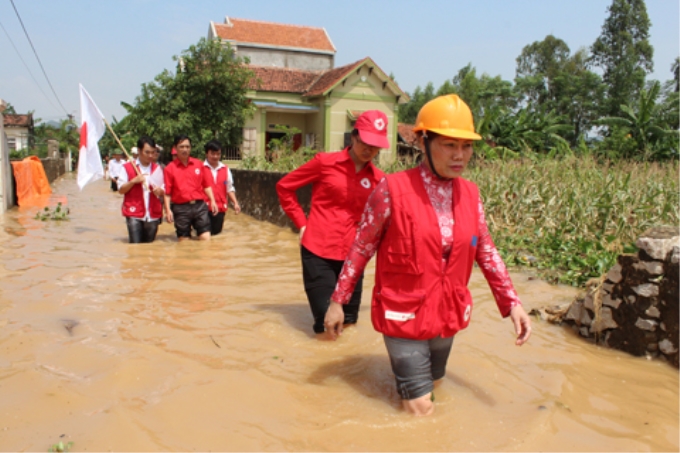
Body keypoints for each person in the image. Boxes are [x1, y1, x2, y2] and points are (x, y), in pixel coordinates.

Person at [324, 95, 532, 416]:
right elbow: (361, 248)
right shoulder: (390, 190)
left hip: (446, 314)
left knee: (435, 385)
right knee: (421, 407)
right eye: (449, 145)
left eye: (466, 146)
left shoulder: (472, 195)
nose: (460, 155)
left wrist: (512, 304)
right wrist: (338, 301)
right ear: (423, 141)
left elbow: (486, 251)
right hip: (402, 314)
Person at [276, 110, 388, 335]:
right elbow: (285, 187)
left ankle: (346, 367)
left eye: (376, 146)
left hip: (353, 258)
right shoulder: (324, 163)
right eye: (366, 142)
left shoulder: (379, 180)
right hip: (318, 251)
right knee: (326, 323)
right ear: (353, 137)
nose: (370, 150)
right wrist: (302, 223)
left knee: (349, 322)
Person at [163, 135, 218, 241]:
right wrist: (168, 210)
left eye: (187, 147)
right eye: (182, 147)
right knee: (184, 243)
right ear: (175, 148)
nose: (185, 149)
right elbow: (167, 192)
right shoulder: (169, 169)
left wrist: (213, 201)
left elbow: (206, 185)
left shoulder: (198, 164)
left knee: (206, 239)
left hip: (199, 206)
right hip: (181, 209)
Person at [117, 137, 165, 243]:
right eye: (147, 152)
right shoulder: (127, 167)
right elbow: (121, 190)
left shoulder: (157, 168)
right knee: (135, 246)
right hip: (134, 213)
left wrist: (160, 191)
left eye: (153, 152)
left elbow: (164, 189)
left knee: (149, 247)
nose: (150, 156)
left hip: (153, 214)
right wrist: (133, 181)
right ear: (139, 151)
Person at [203, 140, 241, 236]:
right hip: (203, 209)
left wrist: (235, 203)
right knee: (204, 235)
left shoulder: (225, 169)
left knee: (216, 235)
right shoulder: (200, 168)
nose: (215, 156)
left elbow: (229, 188)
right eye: (212, 153)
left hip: (220, 208)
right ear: (206, 153)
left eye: (218, 154)